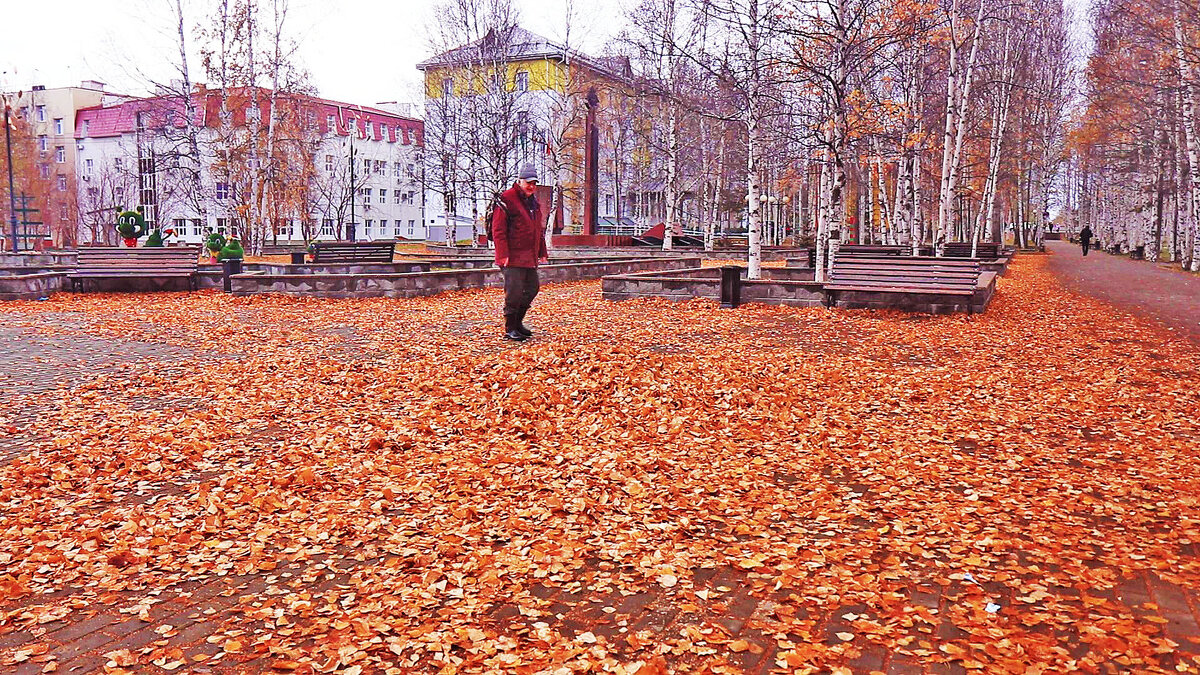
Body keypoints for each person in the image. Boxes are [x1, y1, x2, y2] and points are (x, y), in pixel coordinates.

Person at [492, 163, 548, 341]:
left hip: (529, 257)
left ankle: (518, 323)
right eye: (528, 182)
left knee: (532, 288)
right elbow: (498, 230)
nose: (531, 186)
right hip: (512, 257)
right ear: (520, 181)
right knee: (514, 292)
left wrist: (542, 252)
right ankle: (510, 328)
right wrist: (502, 255)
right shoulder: (507, 198)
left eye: (534, 183)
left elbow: (538, 230)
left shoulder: (534, 202)